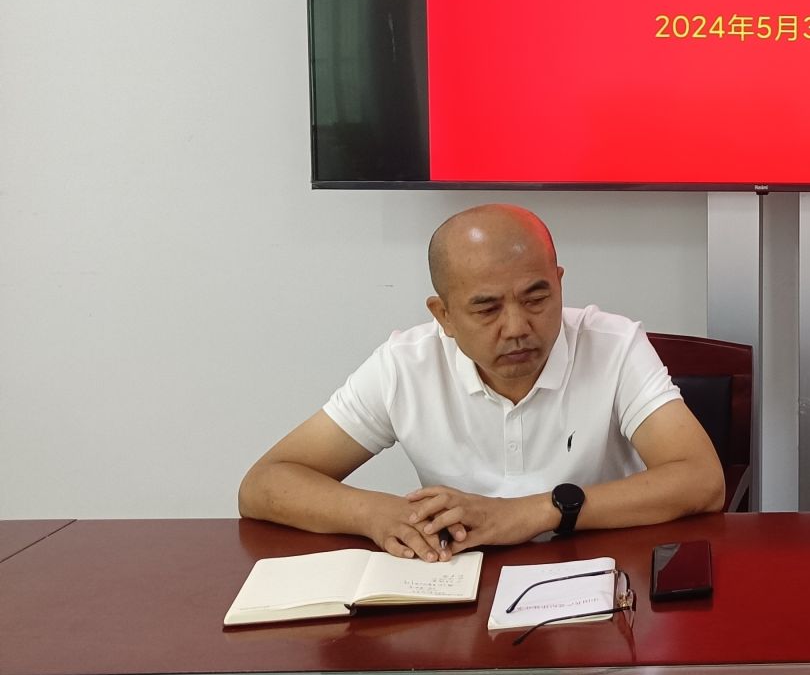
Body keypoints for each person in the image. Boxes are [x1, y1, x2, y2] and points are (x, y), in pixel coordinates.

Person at [240, 204, 724, 560]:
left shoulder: (614, 346)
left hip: (598, 583)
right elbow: (265, 483)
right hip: (459, 592)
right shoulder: (405, 365)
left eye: (536, 298)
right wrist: (375, 514)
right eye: (487, 308)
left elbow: (701, 480)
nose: (516, 327)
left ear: (559, 283)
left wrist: (532, 512)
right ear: (444, 316)